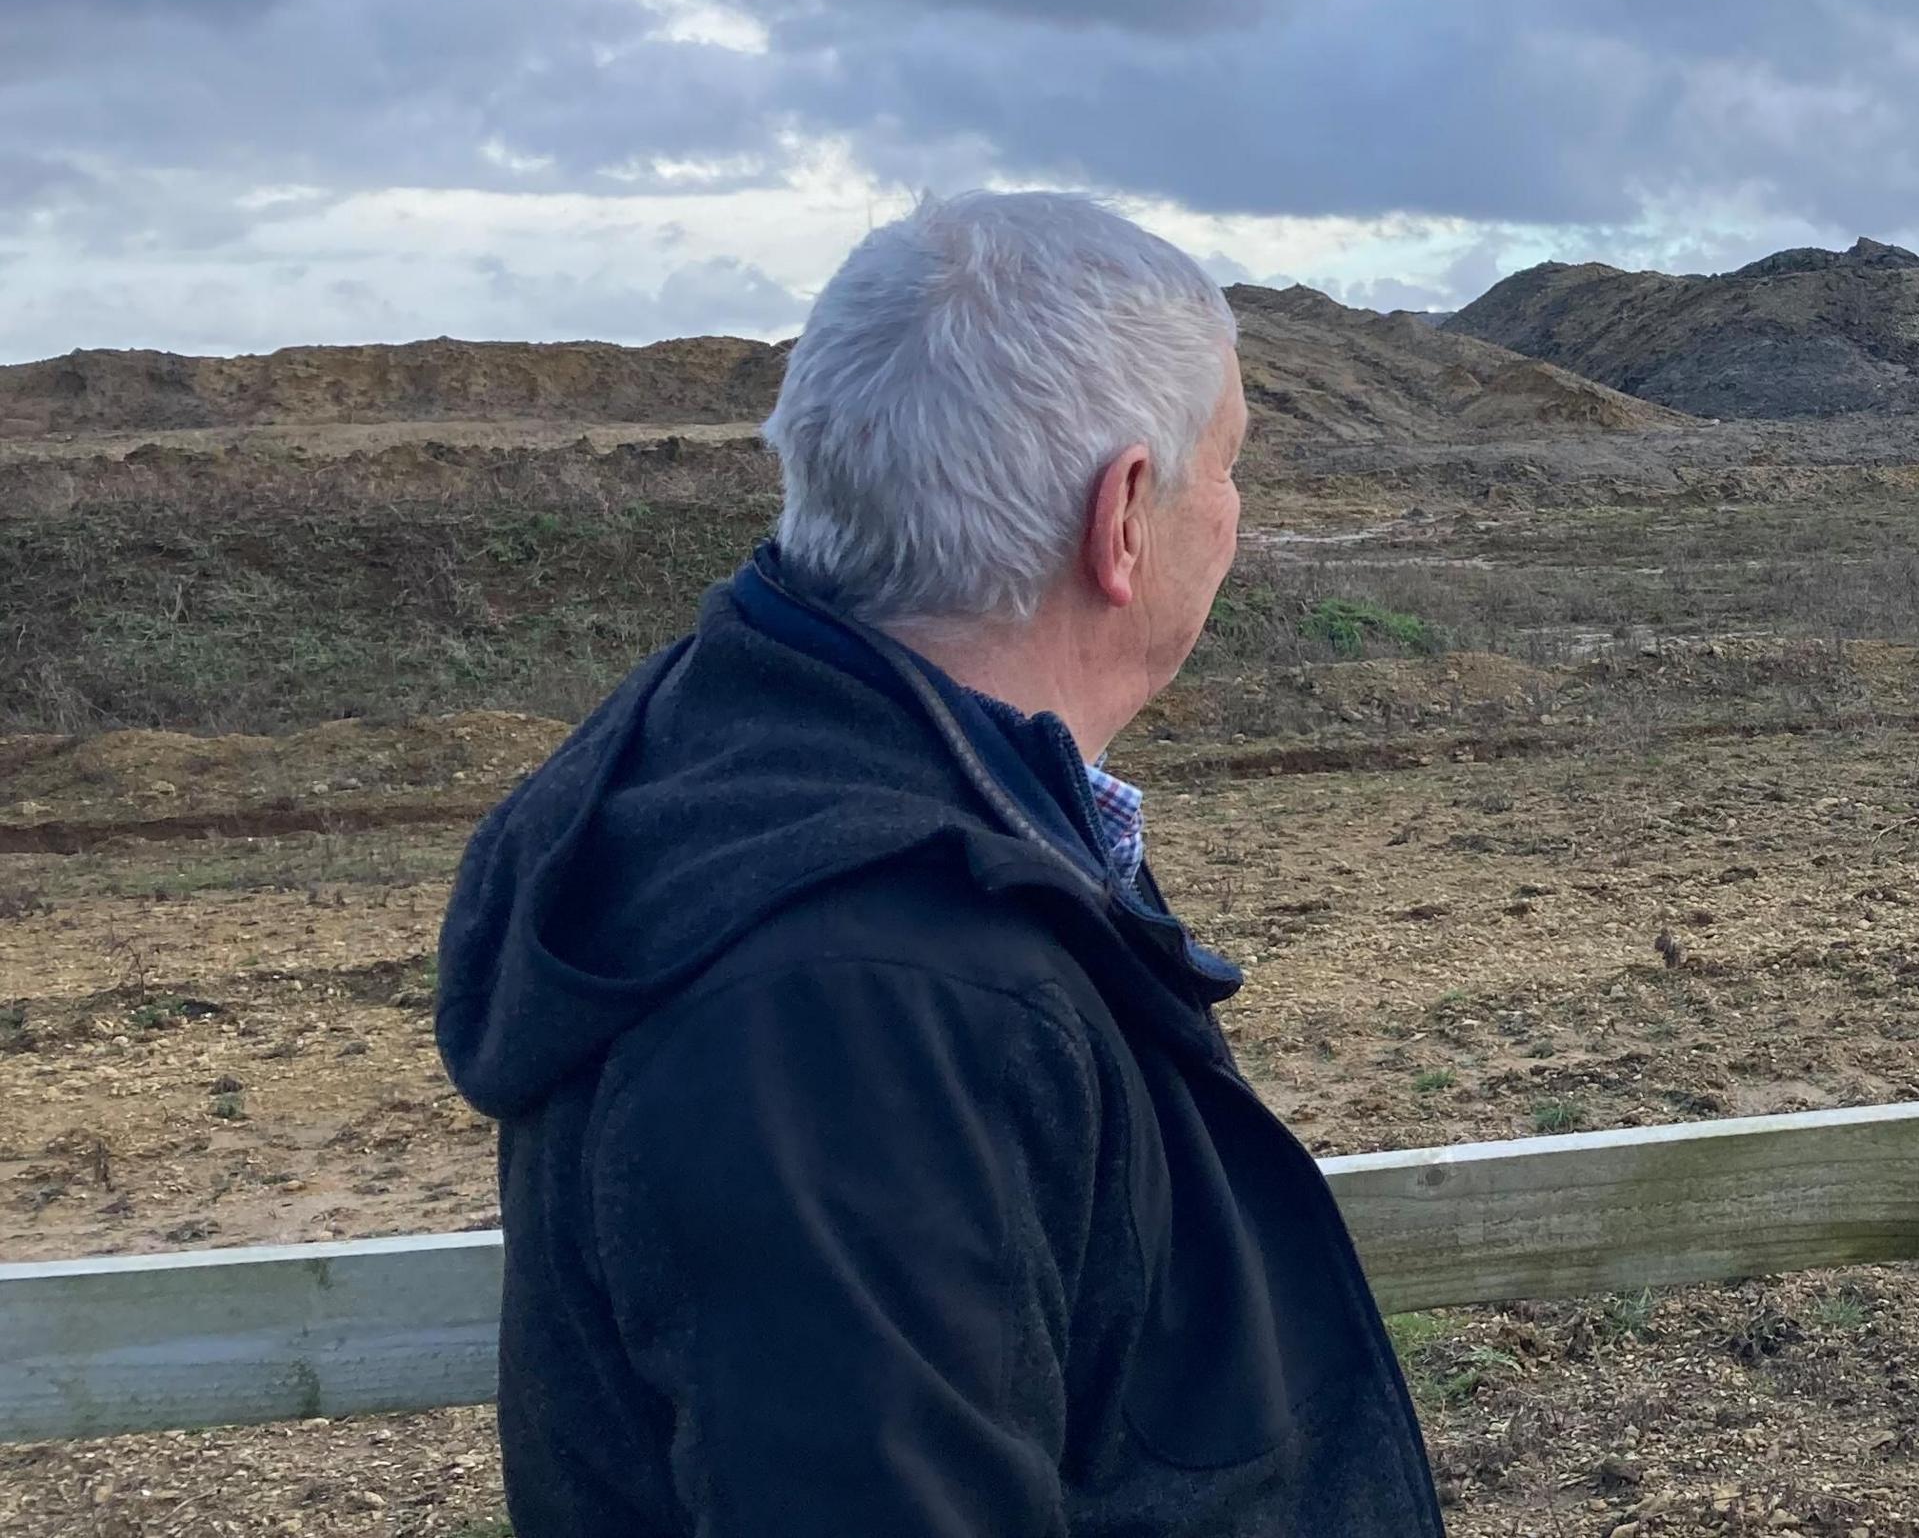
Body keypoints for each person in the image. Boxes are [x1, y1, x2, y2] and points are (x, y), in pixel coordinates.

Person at [436, 192, 1442, 1536]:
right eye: (1230, 466)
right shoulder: (861, 1004)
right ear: (1125, 517)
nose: (1239, 515)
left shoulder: (804, 799)